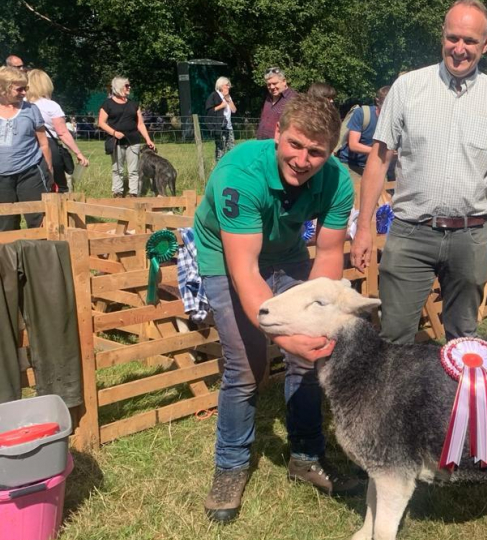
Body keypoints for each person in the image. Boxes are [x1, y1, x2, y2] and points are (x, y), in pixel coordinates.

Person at [195, 94, 359, 524]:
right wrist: (284, 336)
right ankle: (230, 466)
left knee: (308, 358)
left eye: (316, 152)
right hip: (227, 253)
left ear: (331, 152)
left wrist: (314, 323)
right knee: (247, 365)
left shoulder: (339, 181)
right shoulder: (240, 174)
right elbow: (245, 271)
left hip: (286, 254)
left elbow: (326, 257)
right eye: (295, 145)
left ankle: (306, 455)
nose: (303, 160)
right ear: (276, 135)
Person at [350, 0, 487, 344]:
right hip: (410, 234)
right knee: (394, 335)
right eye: (453, 38)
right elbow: (379, 157)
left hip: (471, 236)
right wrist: (364, 229)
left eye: (470, 41)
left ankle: (454, 400)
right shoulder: (408, 88)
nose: (459, 49)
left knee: (463, 339)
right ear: (442, 37)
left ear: (485, 45)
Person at [0, 67, 53, 231]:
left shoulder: (31, 110)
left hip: (30, 171)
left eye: (26, 88)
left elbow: (43, 143)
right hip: (2, 177)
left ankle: (40, 254)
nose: (24, 92)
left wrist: (49, 170)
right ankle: (8, 255)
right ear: (3, 89)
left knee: (38, 218)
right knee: (5, 222)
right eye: (19, 89)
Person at [26, 69, 89, 193]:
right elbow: (62, 133)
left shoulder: (22, 105)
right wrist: (78, 153)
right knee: (59, 188)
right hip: (50, 147)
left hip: (28, 148)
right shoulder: (51, 105)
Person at [97, 77, 155, 197]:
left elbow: (140, 124)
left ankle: (133, 192)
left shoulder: (133, 104)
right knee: (117, 168)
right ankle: (117, 192)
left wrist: (148, 139)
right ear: (119, 87)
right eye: (127, 86)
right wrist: (114, 133)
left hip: (133, 141)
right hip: (116, 141)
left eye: (129, 85)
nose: (129, 88)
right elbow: (101, 123)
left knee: (133, 169)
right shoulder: (107, 104)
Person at [337, 86, 390, 204]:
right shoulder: (362, 114)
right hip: (351, 165)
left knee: (382, 202)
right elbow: (353, 145)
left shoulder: (395, 119)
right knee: (352, 200)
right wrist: (380, 151)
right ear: (378, 102)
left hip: (376, 164)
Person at [256, 67, 298, 140]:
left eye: (275, 83)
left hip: (278, 147)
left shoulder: (294, 99)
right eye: (269, 84)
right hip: (261, 145)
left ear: (284, 81)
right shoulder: (268, 98)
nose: (272, 87)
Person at [205, 77, 236, 161]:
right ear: (221, 86)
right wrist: (221, 106)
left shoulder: (228, 97)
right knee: (220, 151)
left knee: (232, 150)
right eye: (227, 85)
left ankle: (231, 169)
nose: (229, 87)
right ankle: (219, 170)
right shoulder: (214, 96)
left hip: (229, 127)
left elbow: (234, 110)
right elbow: (209, 111)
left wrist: (228, 100)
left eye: (229, 85)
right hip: (219, 127)